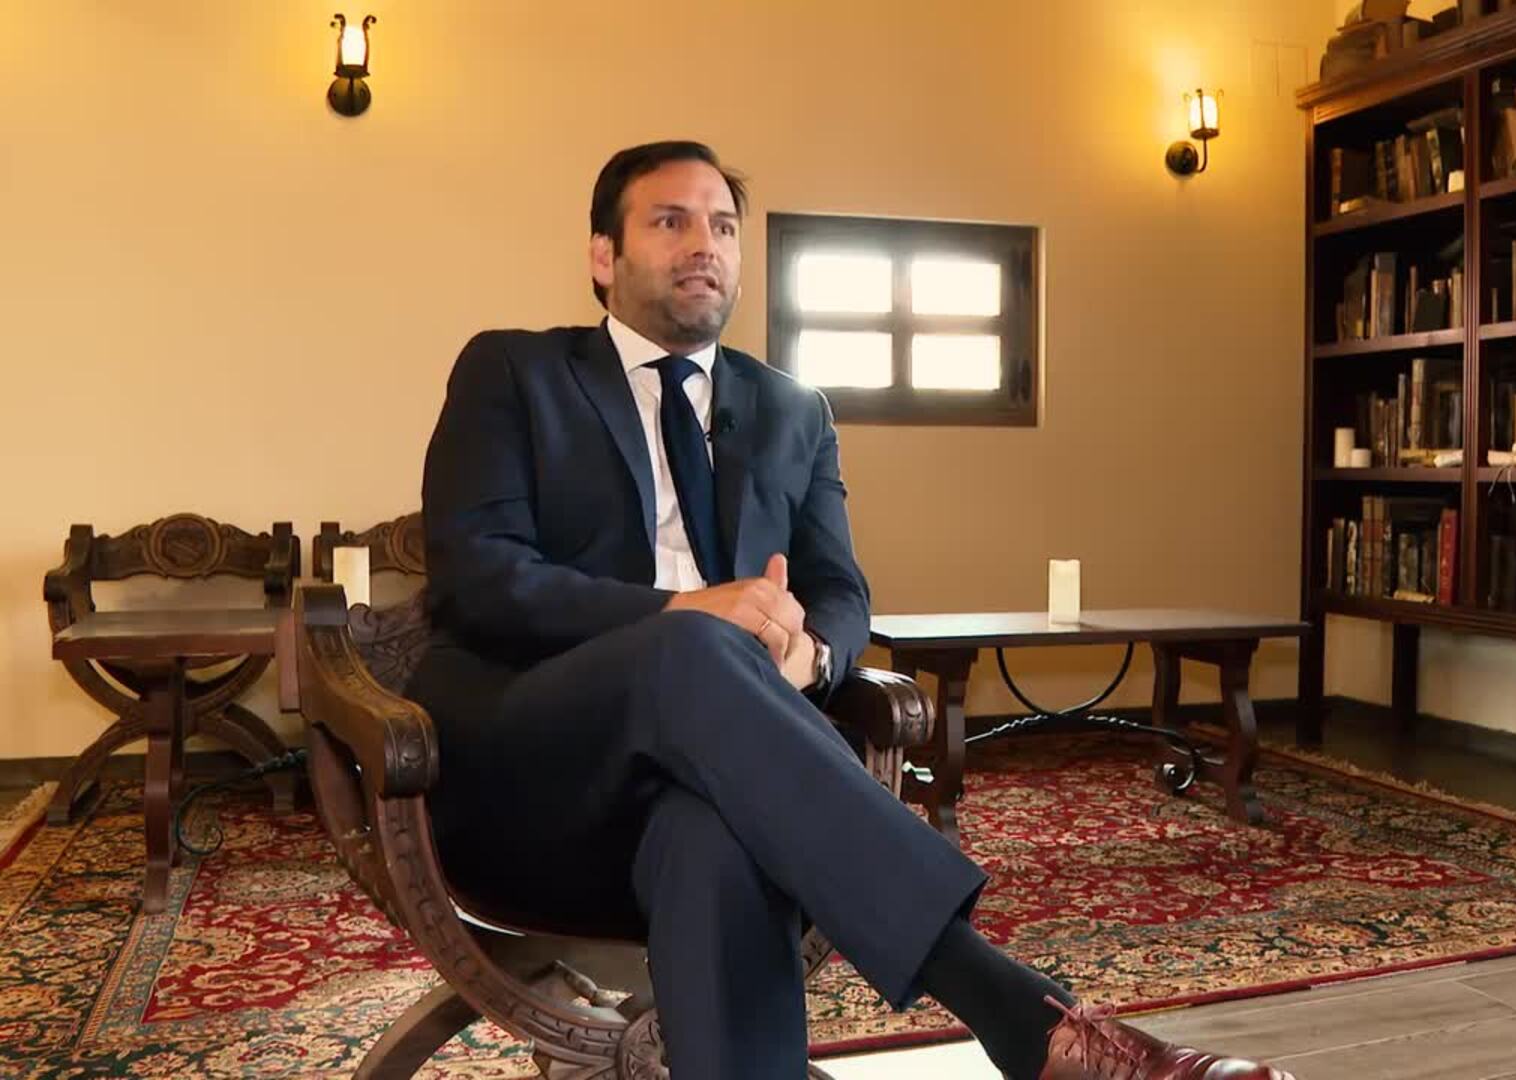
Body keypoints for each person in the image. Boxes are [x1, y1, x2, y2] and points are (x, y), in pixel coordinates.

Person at [407, 139, 1289, 1080]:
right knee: (690, 647)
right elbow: (479, 578)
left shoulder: (793, 410)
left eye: (724, 227)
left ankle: (1037, 1037)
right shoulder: (515, 373)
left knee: (713, 836)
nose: (704, 244)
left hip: (721, 773)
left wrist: (813, 658)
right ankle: (1021, 1017)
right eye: (670, 221)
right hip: (538, 765)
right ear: (602, 255)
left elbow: (839, 591)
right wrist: (687, 610)